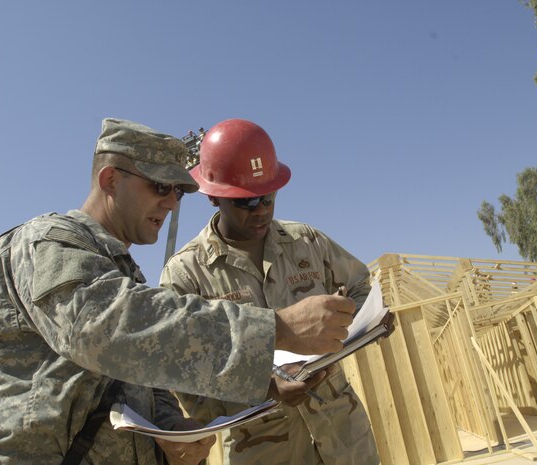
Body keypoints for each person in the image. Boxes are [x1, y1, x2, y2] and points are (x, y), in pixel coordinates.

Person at [0, 118, 357, 465]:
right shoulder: (45, 242)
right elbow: (101, 328)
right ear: (110, 179)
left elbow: (139, 378)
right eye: (160, 187)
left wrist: (170, 427)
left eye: (179, 192)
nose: (171, 203)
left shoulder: (124, 276)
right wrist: (276, 329)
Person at [160, 119, 380, 465]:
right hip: (262, 449)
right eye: (246, 202)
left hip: (344, 436)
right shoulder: (186, 274)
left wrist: (367, 323)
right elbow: (178, 368)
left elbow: (361, 287)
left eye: (268, 196)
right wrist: (263, 387)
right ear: (215, 197)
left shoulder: (307, 241)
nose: (261, 209)